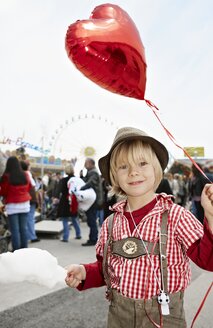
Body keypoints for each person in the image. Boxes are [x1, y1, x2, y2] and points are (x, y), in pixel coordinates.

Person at [65, 127, 213, 328]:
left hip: (164, 318)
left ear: (156, 169)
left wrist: (211, 217)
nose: (134, 171)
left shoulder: (176, 216)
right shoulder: (110, 223)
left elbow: (208, 260)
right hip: (119, 317)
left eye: (142, 163)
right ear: (114, 175)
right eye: (124, 166)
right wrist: (84, 272)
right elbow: (106, 269)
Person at [0, 156, 32, 251]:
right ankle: (24, 249)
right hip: (25, 205)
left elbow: (3, 192)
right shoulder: (25, 175)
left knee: (15, 230)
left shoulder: (6, 176)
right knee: (23, 229)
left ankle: (17, 251)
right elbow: (29, 186)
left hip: (12, 206)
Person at [80, 158, 103, 246]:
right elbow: (86, 181)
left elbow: (90, 183)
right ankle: (93, 238)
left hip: (93, 200)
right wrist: (82, 176)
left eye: (86, 163)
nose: (85, 165)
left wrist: (80, 189)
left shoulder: (93, 172)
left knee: (92, 220)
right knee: (91, 219)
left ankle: (93, 239)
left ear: (91, 164)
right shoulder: (92, 172)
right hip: (93, 200)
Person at [56, 164, 81, 241]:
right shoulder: (76, 179)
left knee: (64, 219)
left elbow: (60, 190)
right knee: (74, 218)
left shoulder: (63, 180)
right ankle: (78, 234)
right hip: (73, 200)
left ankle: (65, 237)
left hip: (65, 201)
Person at [20, 160, 40, 243]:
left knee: (25, 219)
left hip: (23, 199)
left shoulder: (18, 174)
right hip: (30, 199)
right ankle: (32, 236)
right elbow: (33, 186)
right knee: (30, 218)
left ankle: (27, 236)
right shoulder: (27, 173)